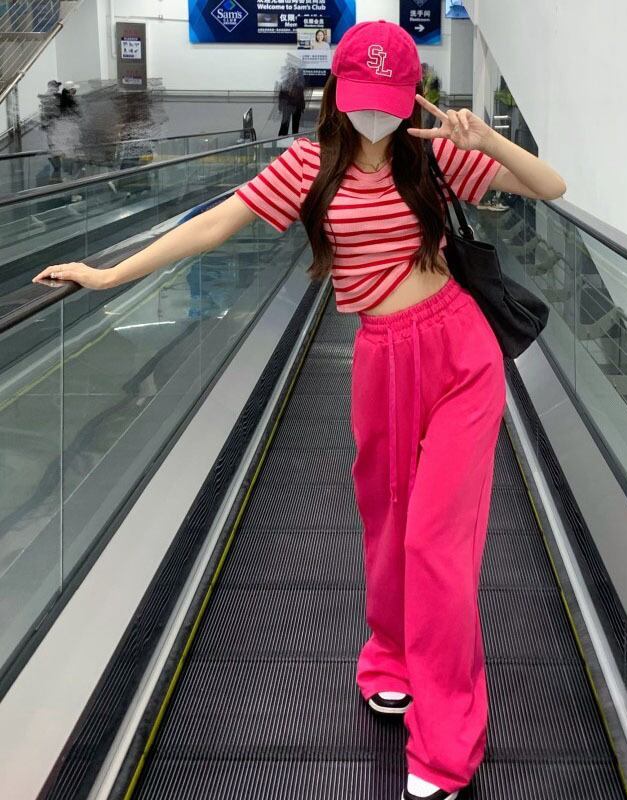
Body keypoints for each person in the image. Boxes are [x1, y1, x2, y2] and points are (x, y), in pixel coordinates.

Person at [33, 19, 566, 800]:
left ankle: (447, 746)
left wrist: (489, 142)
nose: (376, 115)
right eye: (363, 97)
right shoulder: (311, 167)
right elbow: (217, 222)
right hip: (381, 359)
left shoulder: (432, 153)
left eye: (389, 99)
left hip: (460, 356)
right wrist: (110, 274)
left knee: (436, 547)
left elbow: (550, 188)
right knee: (386, 521)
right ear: (337, 92)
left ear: (410, 94)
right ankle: (390, 660)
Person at [277, 62, 306, 136]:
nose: (291, 74)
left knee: (295, 125)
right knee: (285, 123)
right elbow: (281, 95)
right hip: (287, 106)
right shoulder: (285, 82)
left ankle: (294, 138)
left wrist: (302, 106)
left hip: (296, 106)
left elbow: (301, 95)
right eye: (290, 72)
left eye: (293, 72)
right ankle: (282, 137)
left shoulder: (299, 82)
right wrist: (280, 107)